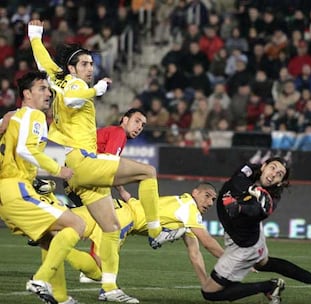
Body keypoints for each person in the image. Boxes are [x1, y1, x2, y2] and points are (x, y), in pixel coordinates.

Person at [28, 20, 183, 303]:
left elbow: (43, 61)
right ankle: (156, 232)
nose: (90, 67)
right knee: (148, 172)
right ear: (73, 69)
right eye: (85, 64)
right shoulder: (76, 84)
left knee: (110, 229)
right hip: (82, 160)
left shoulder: (57, 77)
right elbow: (75, 98)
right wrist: (95, 90)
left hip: (71, 168)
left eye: (91, 63)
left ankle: (109, 289)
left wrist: (35, 36)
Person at [39, 183, 223, 302]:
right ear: (195, 192)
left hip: (115, 208)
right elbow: (207, 242)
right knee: (101, 272)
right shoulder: (189, 209)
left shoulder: (178, 207)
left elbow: (195, 252)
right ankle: (109, 291)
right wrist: (238, 261)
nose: (209, 202)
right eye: (207, 196)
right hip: (124, 218)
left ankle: (47, 196)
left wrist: (205, 283)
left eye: (213, 199)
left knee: (58, 223)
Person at [201, 157, 311, 304]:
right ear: (263, 166)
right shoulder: (249, 171)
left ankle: (269, 286)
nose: (274, 173)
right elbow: (237, 180)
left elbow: (255, 211)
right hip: (245, 235)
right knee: (263, 264)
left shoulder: (270, 199)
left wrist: (239, 207)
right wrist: (252, 189)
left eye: (280, 174)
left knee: (209, 292)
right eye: (273, 167)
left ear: (280, 182)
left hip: (243, 246)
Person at [0, 71, 85, 304]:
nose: (48, 93)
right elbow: (26, 150)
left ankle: (59, 297)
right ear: (27, 94)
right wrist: (58, 169)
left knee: (50, 237)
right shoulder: (34, 115)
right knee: (77, 223)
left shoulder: (15, 117)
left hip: (7, 194)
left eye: (48, 89)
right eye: (42, 88)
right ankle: (40, 279)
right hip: (17, 189)